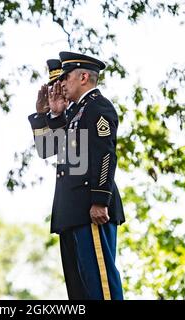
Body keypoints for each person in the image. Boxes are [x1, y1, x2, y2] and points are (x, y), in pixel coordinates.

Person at [28, 51, 125, 300]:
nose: (61, 84)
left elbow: (105, 155)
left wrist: (100, 200)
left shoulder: (98, 107)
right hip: (72, 211)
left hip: (89, 207)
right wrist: (47, 116)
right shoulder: (75, 114)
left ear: (83, 77)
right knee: (80, 290)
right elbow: (48, 149)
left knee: (100, 284)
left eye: (66, 77)